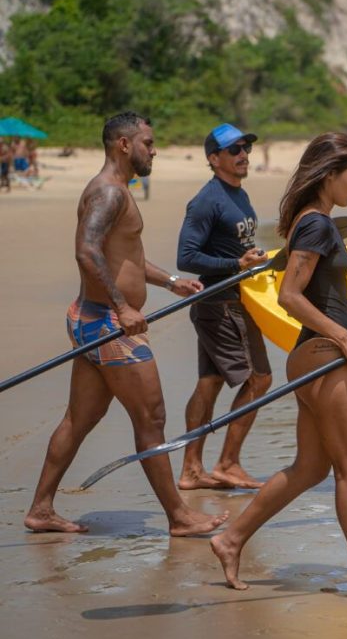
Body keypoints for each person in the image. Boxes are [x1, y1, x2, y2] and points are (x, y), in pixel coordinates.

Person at [211, 132, 347, 600]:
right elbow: (290, 296)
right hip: (322, 359)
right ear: (329, 176)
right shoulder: (316, 226)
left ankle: (230, 538)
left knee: (310, 468)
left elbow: (334, 300)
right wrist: (344, 338)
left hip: (312, 357)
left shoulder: (315, 224)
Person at [23, 111, 229, 536]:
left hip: (92, 319)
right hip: (106, 326)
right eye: (148, 143)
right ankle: (179, 516)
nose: (153, 151)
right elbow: (87, 252)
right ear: (123, 144)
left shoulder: (116, 191)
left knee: (79, 419)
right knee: (151, 417)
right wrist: (123, 308)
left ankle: (40, 509)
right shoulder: (109, 193)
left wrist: (171, 282)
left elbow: (127, 259)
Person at [176, 124, 273, 490]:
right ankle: (228, 464)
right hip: (220, 304)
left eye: (246, 147)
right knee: (260, 378)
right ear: (214, 159)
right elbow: (186, 257)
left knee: (210, 381)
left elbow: (234, 247)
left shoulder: (238, 194)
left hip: (231, 300)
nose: (243, 154)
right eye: (234, 150)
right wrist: (237, 266)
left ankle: (191, 470)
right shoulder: (207, 200)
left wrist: (250, 259)